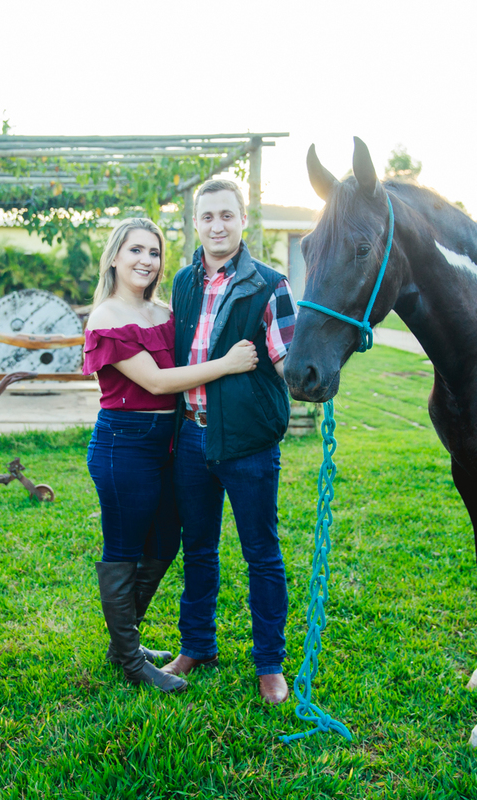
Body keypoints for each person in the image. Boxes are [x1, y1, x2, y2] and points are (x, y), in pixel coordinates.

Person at [83, 217, 259, 693]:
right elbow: (159, 382)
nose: (146, 261)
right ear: (115, 256)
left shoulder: (163, 312)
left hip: (171, 441)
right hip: (125, 443)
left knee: (163, 544)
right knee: (124, 550)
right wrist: (226, 365)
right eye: (135, 251)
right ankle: (129, 660)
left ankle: (124, 645)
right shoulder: (106, 316)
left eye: (154, 253)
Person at [160, 180, 297, 704]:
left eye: (226, 215)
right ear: (196, 223)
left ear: (243, 220)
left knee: (261, 553)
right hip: (192, 439)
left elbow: (286, 358)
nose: (217, 226)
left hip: (248, 443)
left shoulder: (269, 284)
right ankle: (197, 646)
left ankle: (269, 664)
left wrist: (309, 377)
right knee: (199, 549)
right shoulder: (182, 283)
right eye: (207, 217)